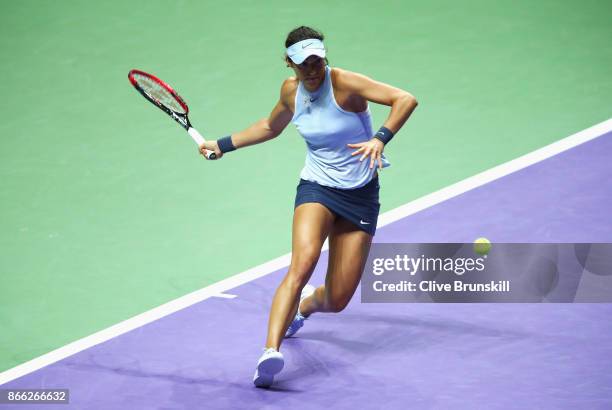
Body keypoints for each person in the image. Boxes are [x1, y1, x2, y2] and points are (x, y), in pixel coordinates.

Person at [198, 26, 418, 388]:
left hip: (360, 194)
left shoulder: (345, 83)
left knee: (337, 299)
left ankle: (305, 307)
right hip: (316, 187)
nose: (313, 69)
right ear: (290, 64)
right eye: (304, 64)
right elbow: (271, 126)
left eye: (317, 60)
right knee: (302, 263)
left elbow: (405, 99)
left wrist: (380, 139)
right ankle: (270, 351)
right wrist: (222, 144)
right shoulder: (290, 90)